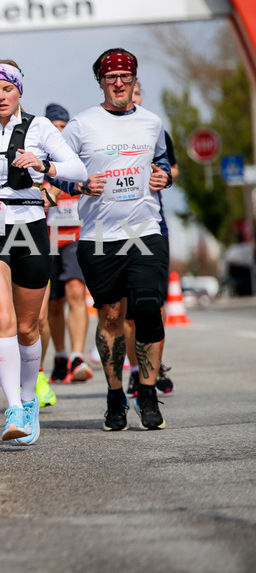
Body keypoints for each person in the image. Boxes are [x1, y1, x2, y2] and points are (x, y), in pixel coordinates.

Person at [0, 60, 87, 445]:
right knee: (3, 314)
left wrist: (42, 164)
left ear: (19, 91)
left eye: (6, 90)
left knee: (29, 326)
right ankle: (12, 408)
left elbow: (76, 169)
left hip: (29, 226)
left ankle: (29, 401)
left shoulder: (40, 127)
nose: (0, 97)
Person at [60, 48, 173, 431]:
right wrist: (77, 184)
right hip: (99, 235)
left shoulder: (152, 122)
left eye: (126, 76)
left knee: (146, 307)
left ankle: (145, 390)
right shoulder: (81, 125)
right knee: (110, 315)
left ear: (134, 79)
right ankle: (114, 395)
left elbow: (164, 162)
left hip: (143, 231)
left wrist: (165, 177)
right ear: (101, 83)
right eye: (112, 78)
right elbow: (54, 170)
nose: (120, 84)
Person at [124, 82, 176, 398]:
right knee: (125, 310)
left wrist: (164, 177)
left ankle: (154, 367)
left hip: (152, 224)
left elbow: (173, 168)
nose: (132, 98)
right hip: (112, 229)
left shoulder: (154, 129)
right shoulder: (102, 133)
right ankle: (133, 370)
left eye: (137, 93)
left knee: (153, 305)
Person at [41, 103, 93, 387]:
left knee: (76, 291)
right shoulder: (38, 160)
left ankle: (77, 355)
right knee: (52, 302)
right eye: (55, 129)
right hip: (46, 237)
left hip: (74, 234)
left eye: (64, 128)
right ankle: (60, 356)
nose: (60, 134)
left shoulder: (75, 159)